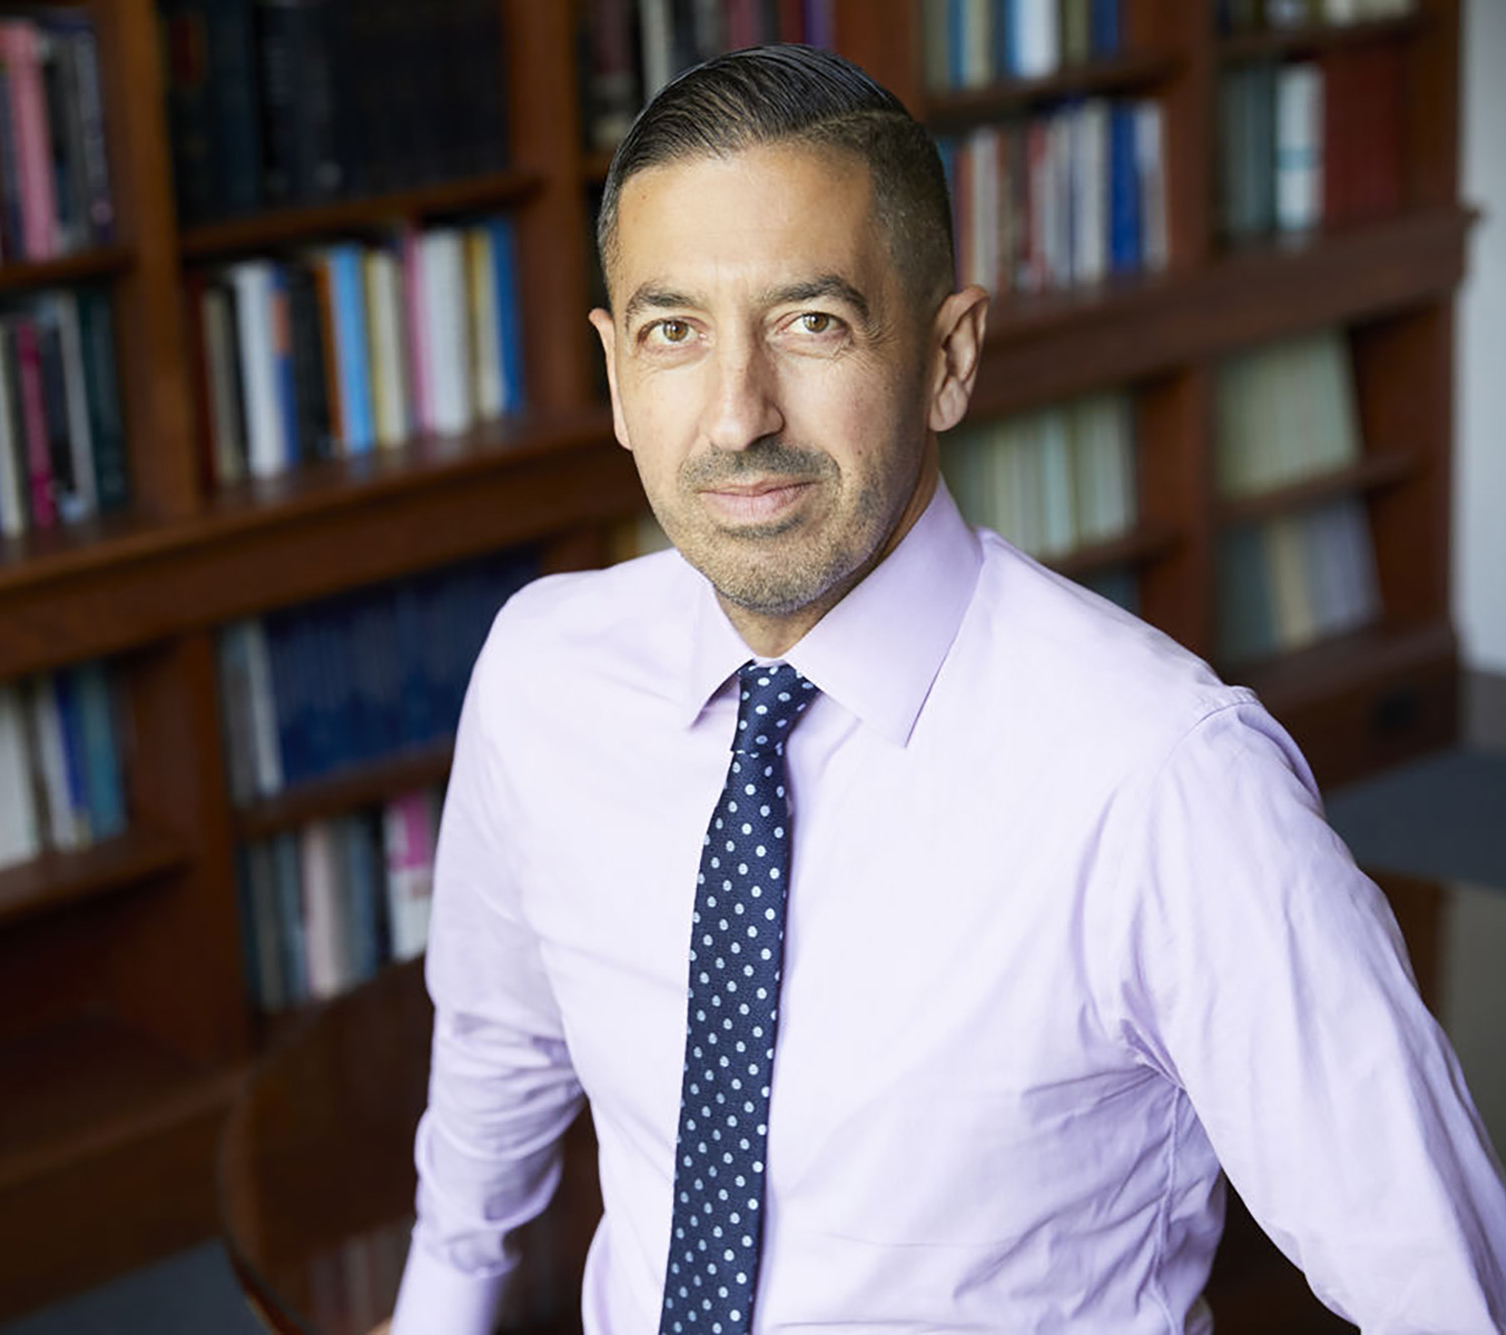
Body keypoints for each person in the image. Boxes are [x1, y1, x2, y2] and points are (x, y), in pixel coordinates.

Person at [375, 44, 1506, 1335]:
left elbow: (1442, 1289)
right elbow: (500, 1043)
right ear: (618, 376)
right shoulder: (543, 674)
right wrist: (438, 1310)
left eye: (813, 323)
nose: (738, 414)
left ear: (950, 355)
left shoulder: (1164, 779)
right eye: (673, 331)